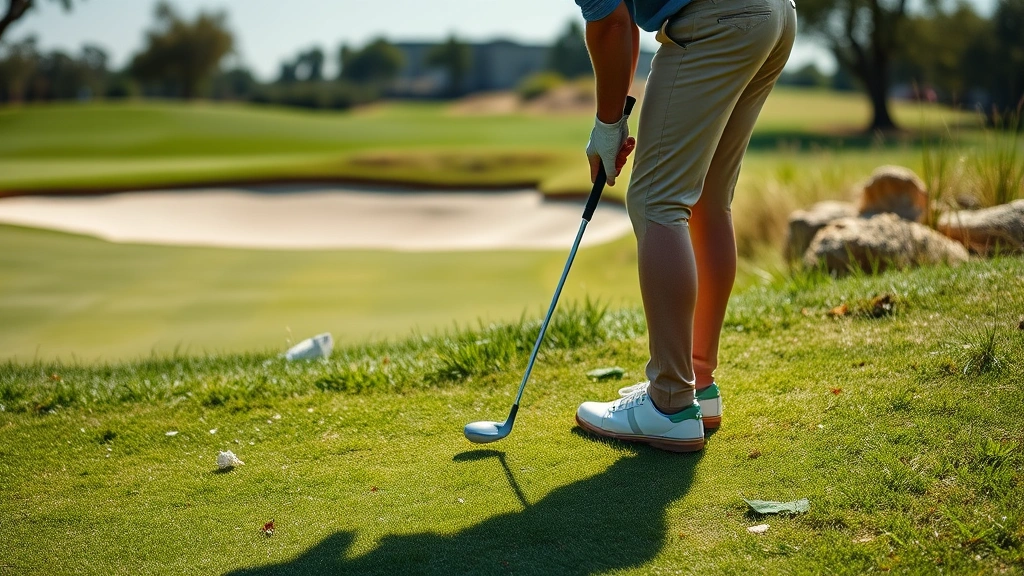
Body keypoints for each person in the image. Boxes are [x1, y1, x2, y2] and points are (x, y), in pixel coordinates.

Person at [572, 0, 796, 452]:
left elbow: (612, 25)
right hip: (774, 15)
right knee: (709, 200)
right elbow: (623, 23)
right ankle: (698, 382)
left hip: (718, 19)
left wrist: (607, 125)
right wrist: (611, 123)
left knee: (657, 200)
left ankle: (670, 403)